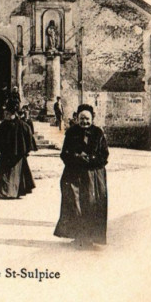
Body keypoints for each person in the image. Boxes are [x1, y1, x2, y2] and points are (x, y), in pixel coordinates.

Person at [54, 103, 109, 248]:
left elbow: (104, 155)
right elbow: (64, 154)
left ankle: (91, 237)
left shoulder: (98, 133)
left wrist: (90, 159)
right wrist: (76, 158)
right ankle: (78, 236)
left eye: (87, 119)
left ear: (93, 119)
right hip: (74, 175)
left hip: (93, 176)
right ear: (77, 118)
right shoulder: (71, 132)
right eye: (81, 118)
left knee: (92, 205)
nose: (84, 122)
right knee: (75, 204)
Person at [0, 101, 36, 199]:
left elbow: (28, 136)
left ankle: (14, 192)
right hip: (6, 153)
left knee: (15, 174)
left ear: (13, 114)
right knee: (4, 173)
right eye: (5, 114)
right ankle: (4, 191)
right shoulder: (4, 124)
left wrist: (26, 150)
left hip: (17, 154)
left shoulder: (22, 125)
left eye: (7, 114)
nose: (5, 115)